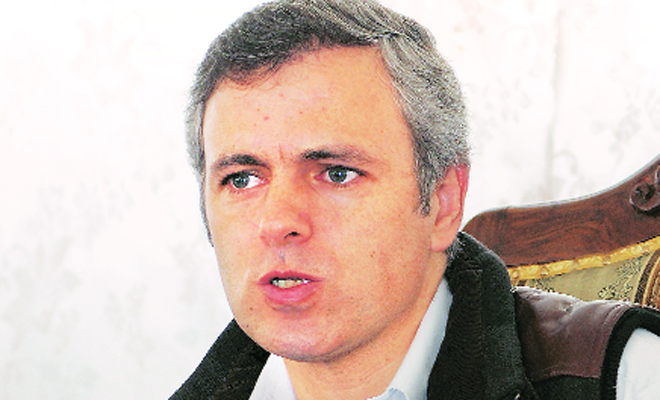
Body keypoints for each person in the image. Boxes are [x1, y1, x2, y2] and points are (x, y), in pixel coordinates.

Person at [170, 1, 660, 399]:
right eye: (242, 179)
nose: (277, 222)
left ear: (443, 203)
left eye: (337, 174)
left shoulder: (626, 378)